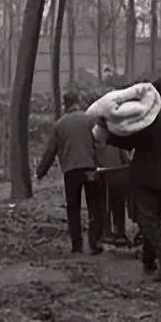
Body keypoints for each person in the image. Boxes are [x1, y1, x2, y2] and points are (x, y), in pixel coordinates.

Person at [102, 80, 161, 282]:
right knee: (154, 220)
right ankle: (149, 260)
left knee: (151, 220)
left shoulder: (148, 116)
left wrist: (107, 134)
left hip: (146, 178)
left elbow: (129, 143)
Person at [36, 89, 105, 255]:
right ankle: (94, 243)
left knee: (73, 208)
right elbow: (100, 144)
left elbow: (50, 151)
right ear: (78, 101)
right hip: (90, 168)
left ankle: (77, 246)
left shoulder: (60, 125)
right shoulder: (90, 120)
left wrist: (41, 171)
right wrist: (100, 164)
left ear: (65, 104)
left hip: (71, 171)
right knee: (94, 206)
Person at [99, 141, 133, 246]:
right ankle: (120, 232)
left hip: (101, 175)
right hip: (117, 175)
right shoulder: (116, 140)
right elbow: (126, 159)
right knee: (118, 205)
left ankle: (106, 232)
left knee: (103, 205)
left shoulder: (94, 139)